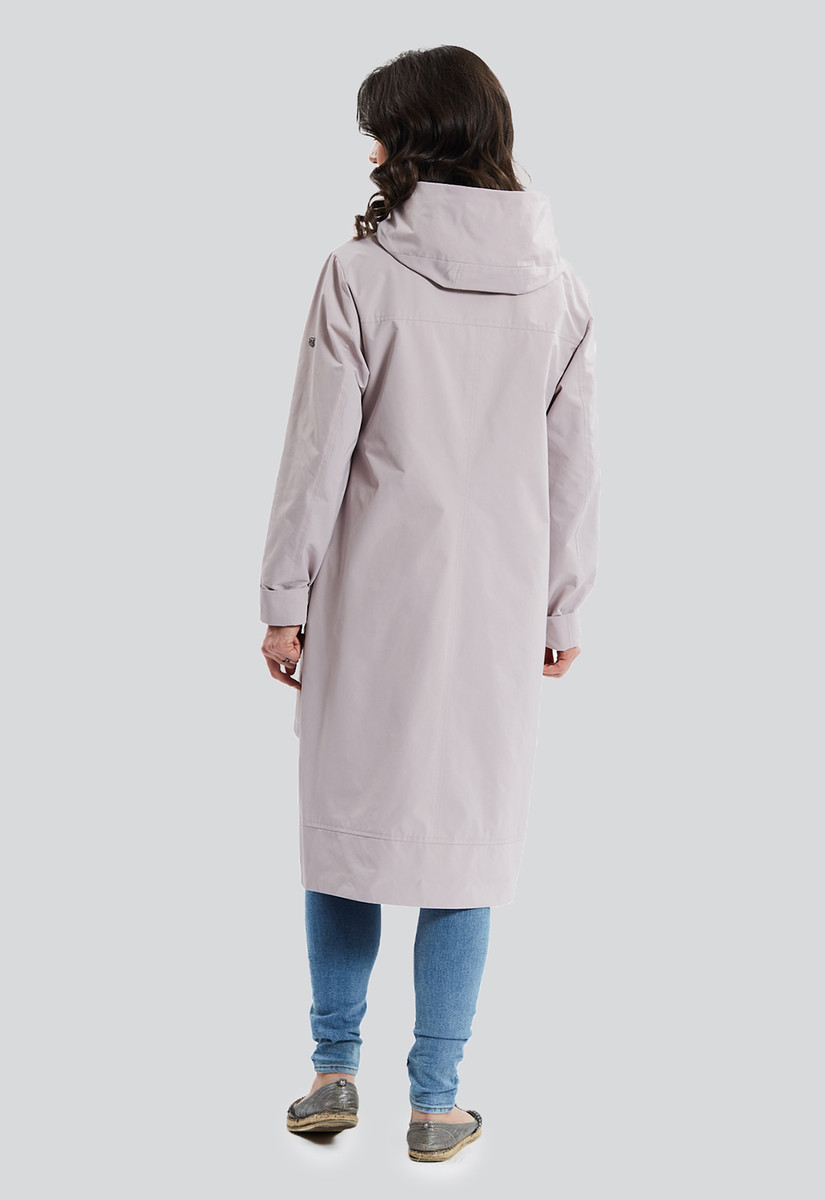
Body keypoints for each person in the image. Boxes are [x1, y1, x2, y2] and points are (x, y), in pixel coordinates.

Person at [258, 45, 600, 1163]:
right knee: (467, 844)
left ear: (413, 141)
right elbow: (573, 470)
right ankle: (436, 1101)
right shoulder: (558, 289)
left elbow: (317, 453)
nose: (369, 151)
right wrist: (560, 609)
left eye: (380, 131)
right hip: (495, 609)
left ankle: (332, 1072)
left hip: (370, 599)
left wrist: (285, 596)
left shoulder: (358, 276)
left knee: (345, 833)